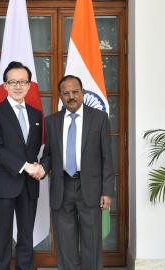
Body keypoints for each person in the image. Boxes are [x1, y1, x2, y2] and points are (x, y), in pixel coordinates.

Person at [39, 75, 114, 270]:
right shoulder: (51, 122)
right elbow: (48, 155)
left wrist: (107, 191)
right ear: (60, 97)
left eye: (75, 92)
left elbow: (107, 156)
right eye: (66, 93)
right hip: (61, 186)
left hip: (90, 187)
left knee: (92, 241)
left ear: (82, 93)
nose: (71, 96)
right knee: (65, 243)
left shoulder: (99, 119)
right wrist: (41, 168)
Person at [0, 61, 43, 270]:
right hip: (3, 183)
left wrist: (38, 168)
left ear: (29, 85)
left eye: (22, 82)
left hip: (29, 185)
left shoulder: (37, 114)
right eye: (13, 82)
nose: (18, 86)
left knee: (27, 236)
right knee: (2, 236)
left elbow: (34, 149)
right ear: (5, 86)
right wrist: (25, 166)